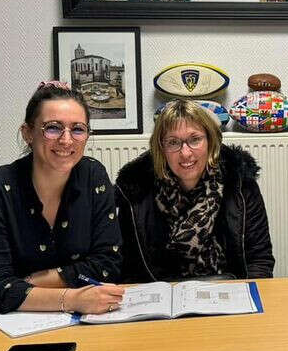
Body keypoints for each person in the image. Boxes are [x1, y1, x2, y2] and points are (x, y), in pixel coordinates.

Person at [0, 83, 125, 316]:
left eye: (78, 129)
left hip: (88, 318)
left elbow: (108, 264)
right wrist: (72, 298)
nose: (66, 140)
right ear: (27, 133)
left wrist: (28, 282)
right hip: (13, 324)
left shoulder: (93, 175)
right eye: (53, 128)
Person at [115, 98, 274, 281]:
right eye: (173, 142)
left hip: (229, 292)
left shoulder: (239, 183)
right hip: (163, 299)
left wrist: (249, 298)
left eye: (195, 139)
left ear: (210, 141)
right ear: (161, 148)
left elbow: (259, 260)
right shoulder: (135, 190)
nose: (186, 153)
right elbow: (128, 268)